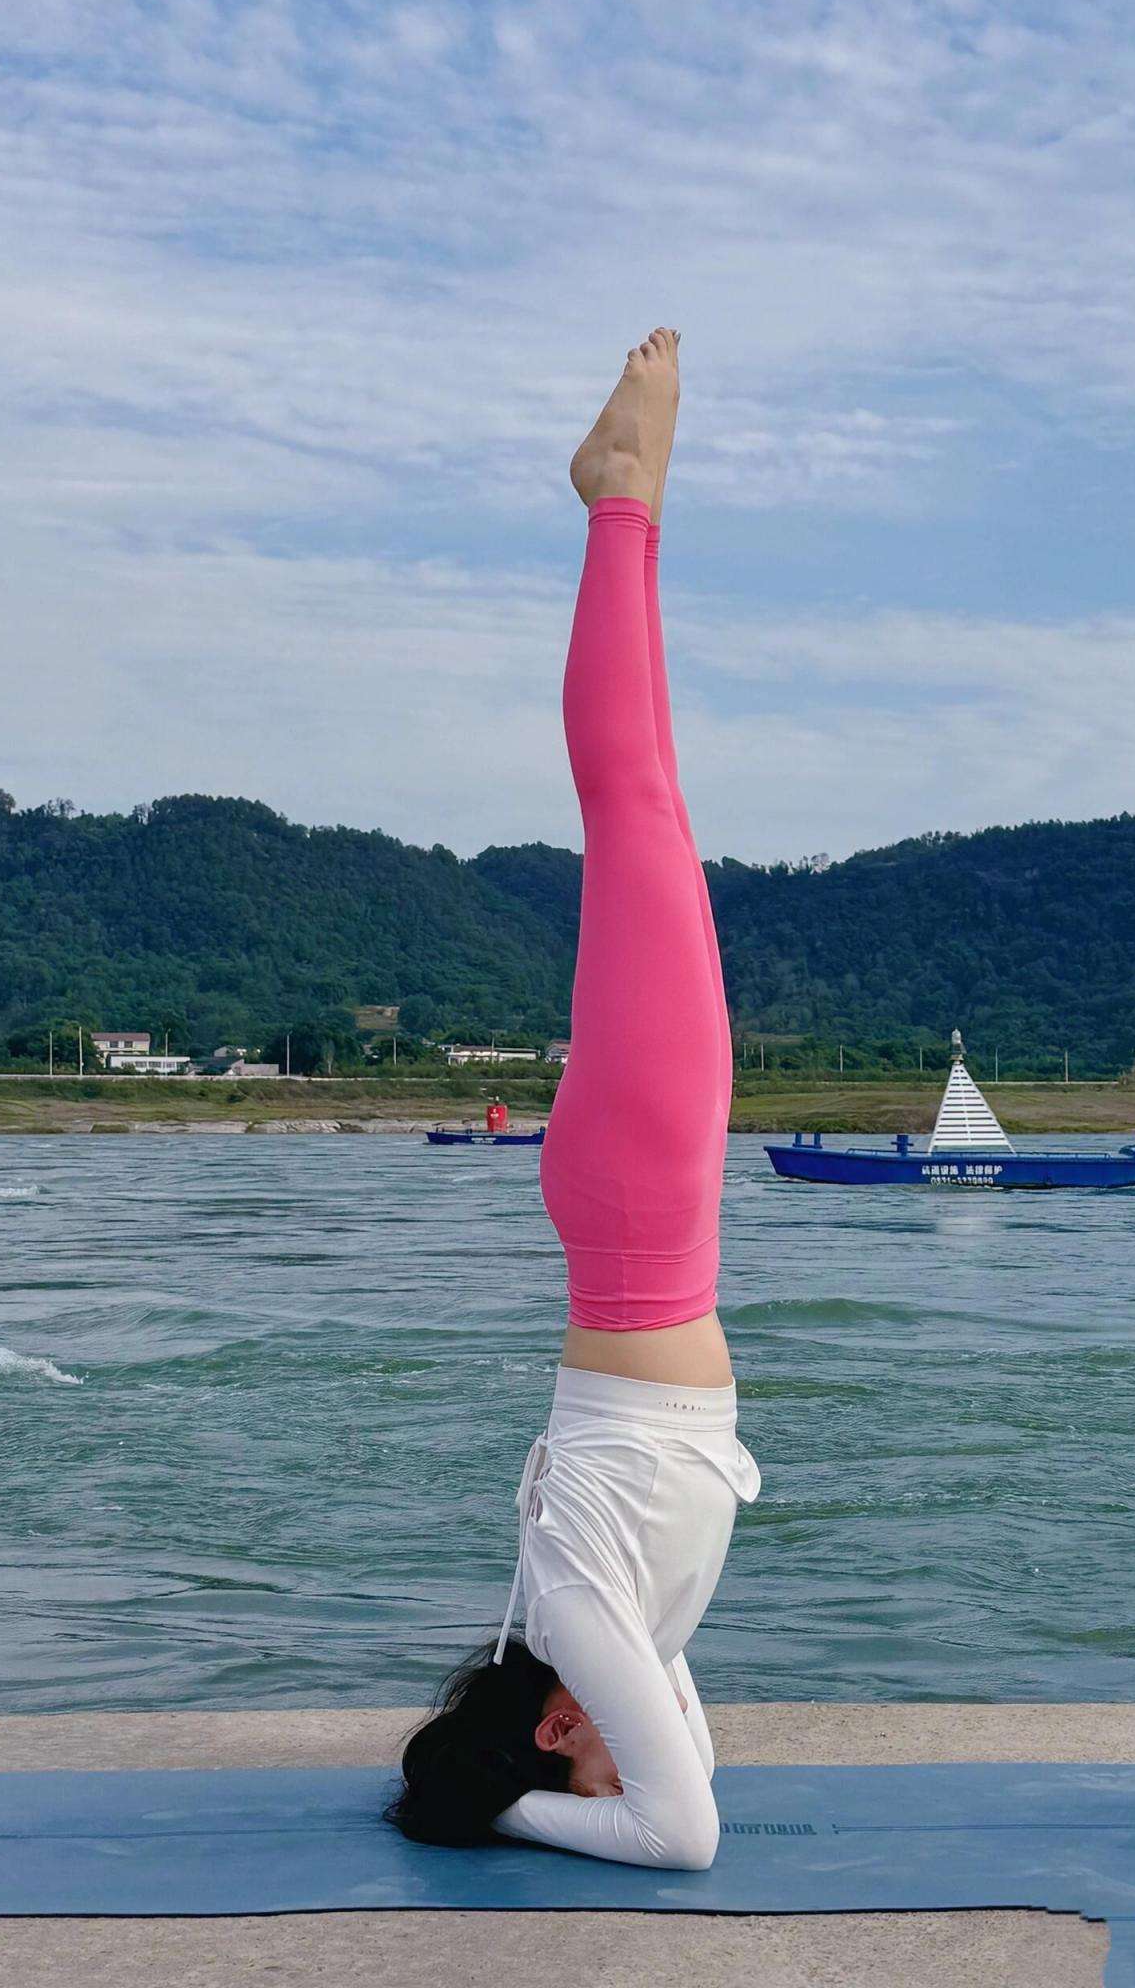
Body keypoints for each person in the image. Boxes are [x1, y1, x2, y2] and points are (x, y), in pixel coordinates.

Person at [388, 328, 759, 1870]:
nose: (621, 1777)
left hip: (638, 1220)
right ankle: (629, 508)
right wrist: (561, 1781)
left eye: (578, 1778)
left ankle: (621, 501)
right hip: (651, 1226)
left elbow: (680, 1840)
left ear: (549, 1729)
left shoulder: (581, 1622)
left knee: (637, 807)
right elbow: (696, 1786)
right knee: (656, 798)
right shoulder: (609, 1638)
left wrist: (500, 1809)